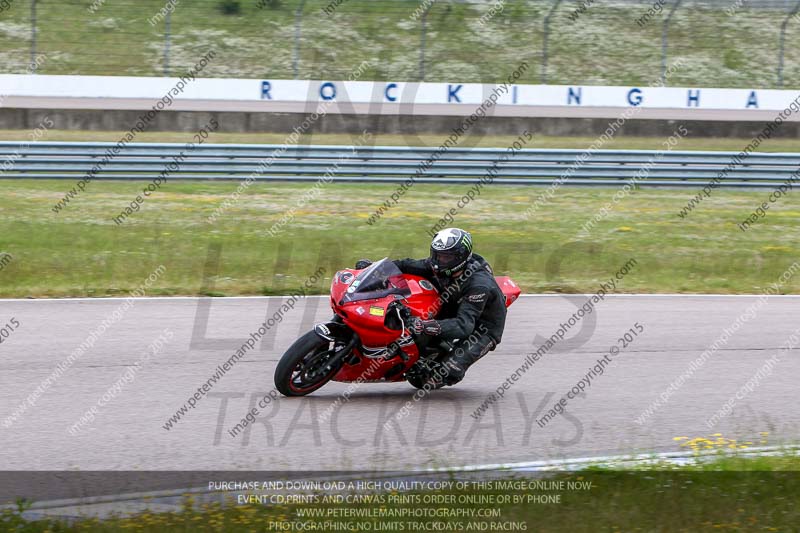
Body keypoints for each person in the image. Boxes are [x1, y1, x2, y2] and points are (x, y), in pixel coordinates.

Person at [355, 228, 507, 386]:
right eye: (436, 254)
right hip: (452, 303)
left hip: (482, 327)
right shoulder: (439, 265)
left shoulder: (478, 285)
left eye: (446, 257)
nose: (438, 260)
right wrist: (373, 268)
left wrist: (423, 325)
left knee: (449, 369)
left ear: (460, 257)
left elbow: (464, 326)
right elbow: (406, 264)